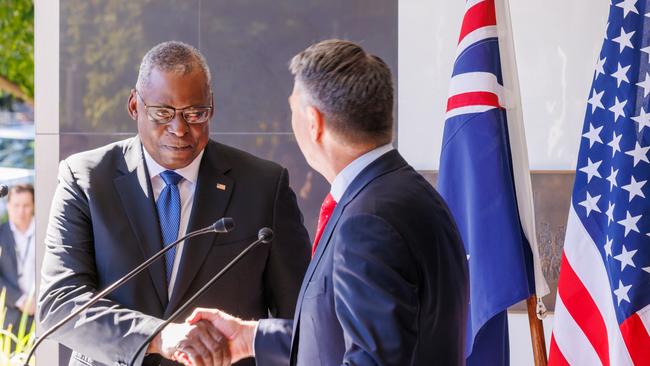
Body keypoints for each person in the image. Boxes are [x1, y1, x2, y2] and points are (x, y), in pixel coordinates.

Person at [186, 39, 469, 365]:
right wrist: (251, 337)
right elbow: (346, 335)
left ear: (313, 122)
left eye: (292, 109)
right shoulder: (408, 193)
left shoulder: (367, 223)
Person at [38, 41, 311, 366]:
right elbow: (60, 304)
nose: (179, 128)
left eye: (195, 113)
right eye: (163, 113)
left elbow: (300, 321)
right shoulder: (86, 179)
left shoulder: (264, 186)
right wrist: (158, 337)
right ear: (134, 106)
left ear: (212, 107)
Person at [0, 184, 36, 334]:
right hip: (10, 317)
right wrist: (20, 300)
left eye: (26, 205)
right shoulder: (1, 234)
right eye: (16, 205)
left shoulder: (46, 231)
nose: (21, 211)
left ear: (34, 205)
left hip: (42, 311)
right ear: (8, 206)